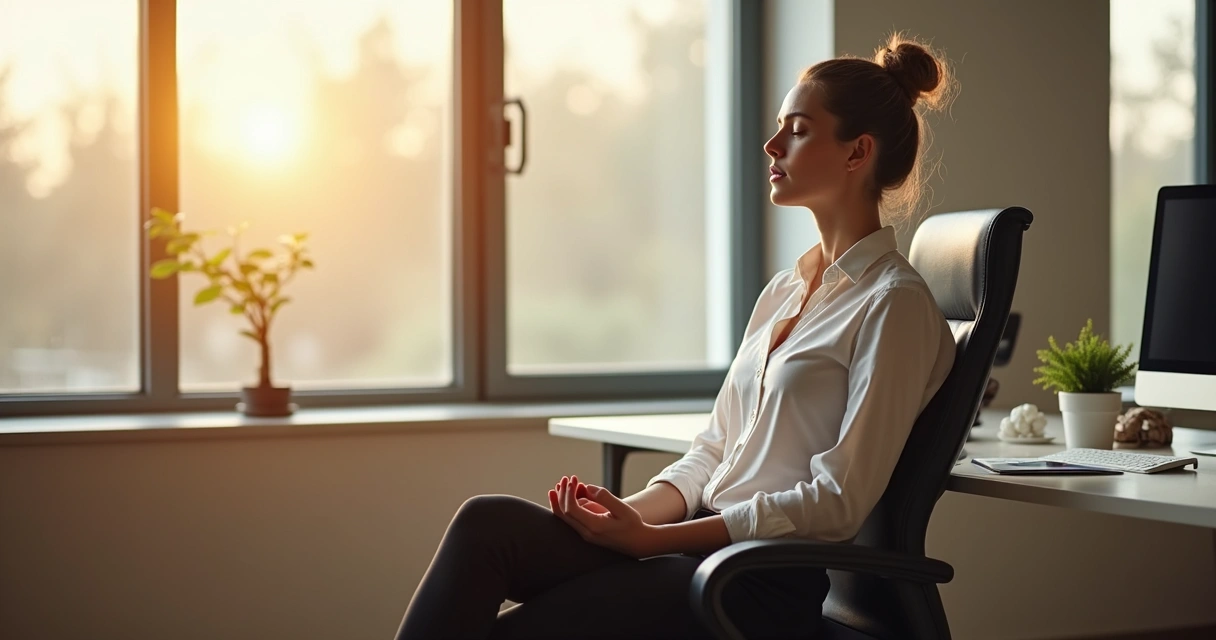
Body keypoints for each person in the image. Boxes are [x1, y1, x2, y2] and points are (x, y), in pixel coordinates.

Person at [395, 33, 958, 640]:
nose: (771, 144)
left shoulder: (893, 304)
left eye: (797, 129)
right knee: (487, 524)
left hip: (754, 578)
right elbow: (712, 452)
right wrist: (623, 519)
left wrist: (655, 540)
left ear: (857, 153)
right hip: (690, 551)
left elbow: (836, 501)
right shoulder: (783, 291)